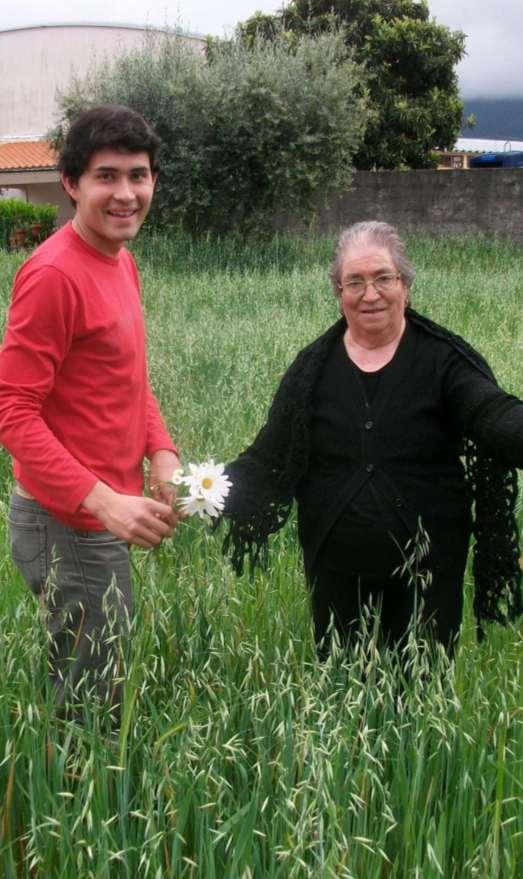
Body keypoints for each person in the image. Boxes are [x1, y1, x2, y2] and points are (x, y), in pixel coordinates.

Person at [221, 221, 523, 656]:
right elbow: (270, 454)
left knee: (420, 706)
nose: (370, 294)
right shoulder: (312, 368)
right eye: (355, 282)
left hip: (428, 574)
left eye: (383, 278)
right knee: (343, 702)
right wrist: (201, 489)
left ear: (405, 285)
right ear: (338, 292)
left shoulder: (443, 360)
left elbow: (490, 412)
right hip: (335, 571)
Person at [0, 105, 181, 714]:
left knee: (92, 677)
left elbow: (127, 379)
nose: (126, 193)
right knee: (90, 703)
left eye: (139, 174)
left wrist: (160, 454)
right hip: (68, 524)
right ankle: (74, 800)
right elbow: (12, 411)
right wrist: (104, 502)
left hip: (98, 515)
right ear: (72, 184)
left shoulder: (118, 257)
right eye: (107, 176)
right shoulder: (54, 274)